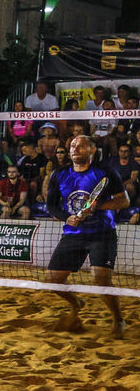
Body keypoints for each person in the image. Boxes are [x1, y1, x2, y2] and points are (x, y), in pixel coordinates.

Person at [45, 135, 128, 338]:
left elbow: (123, 201)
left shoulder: (105, 172)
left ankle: (118, 320)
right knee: (52, 280)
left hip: (102, 233)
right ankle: (77, 303)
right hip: (73, 234)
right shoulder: (60, 174)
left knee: (100, 277)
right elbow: (52, 205)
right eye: (72, 145)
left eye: (81, 146)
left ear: (92, 150)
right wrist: (67, 217)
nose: (75, 149)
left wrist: (97, 206)